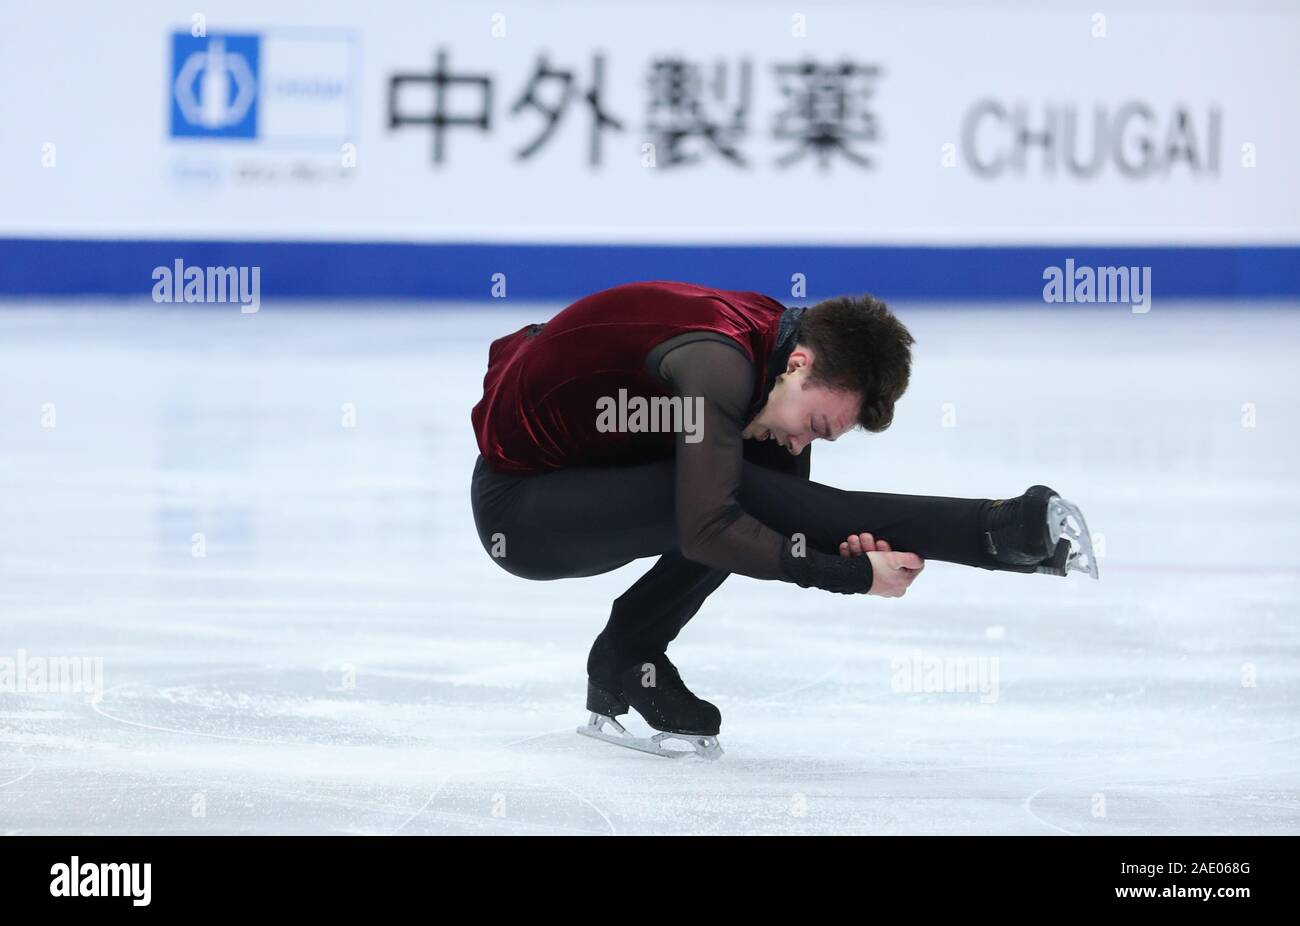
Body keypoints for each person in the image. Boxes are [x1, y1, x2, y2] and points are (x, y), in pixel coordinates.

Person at [469, 281, 1096, 758]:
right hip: (523, 506)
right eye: (818, 426)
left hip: (611, 459)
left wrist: (833, 545)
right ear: (798, 365)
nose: (805, 443)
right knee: (715, 499)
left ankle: (628, 660)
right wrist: (848, 576)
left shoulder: (779, 349)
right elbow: (708, 529)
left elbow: (785, 513)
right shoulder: (717, 365)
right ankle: (998, 530)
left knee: (768, 481)